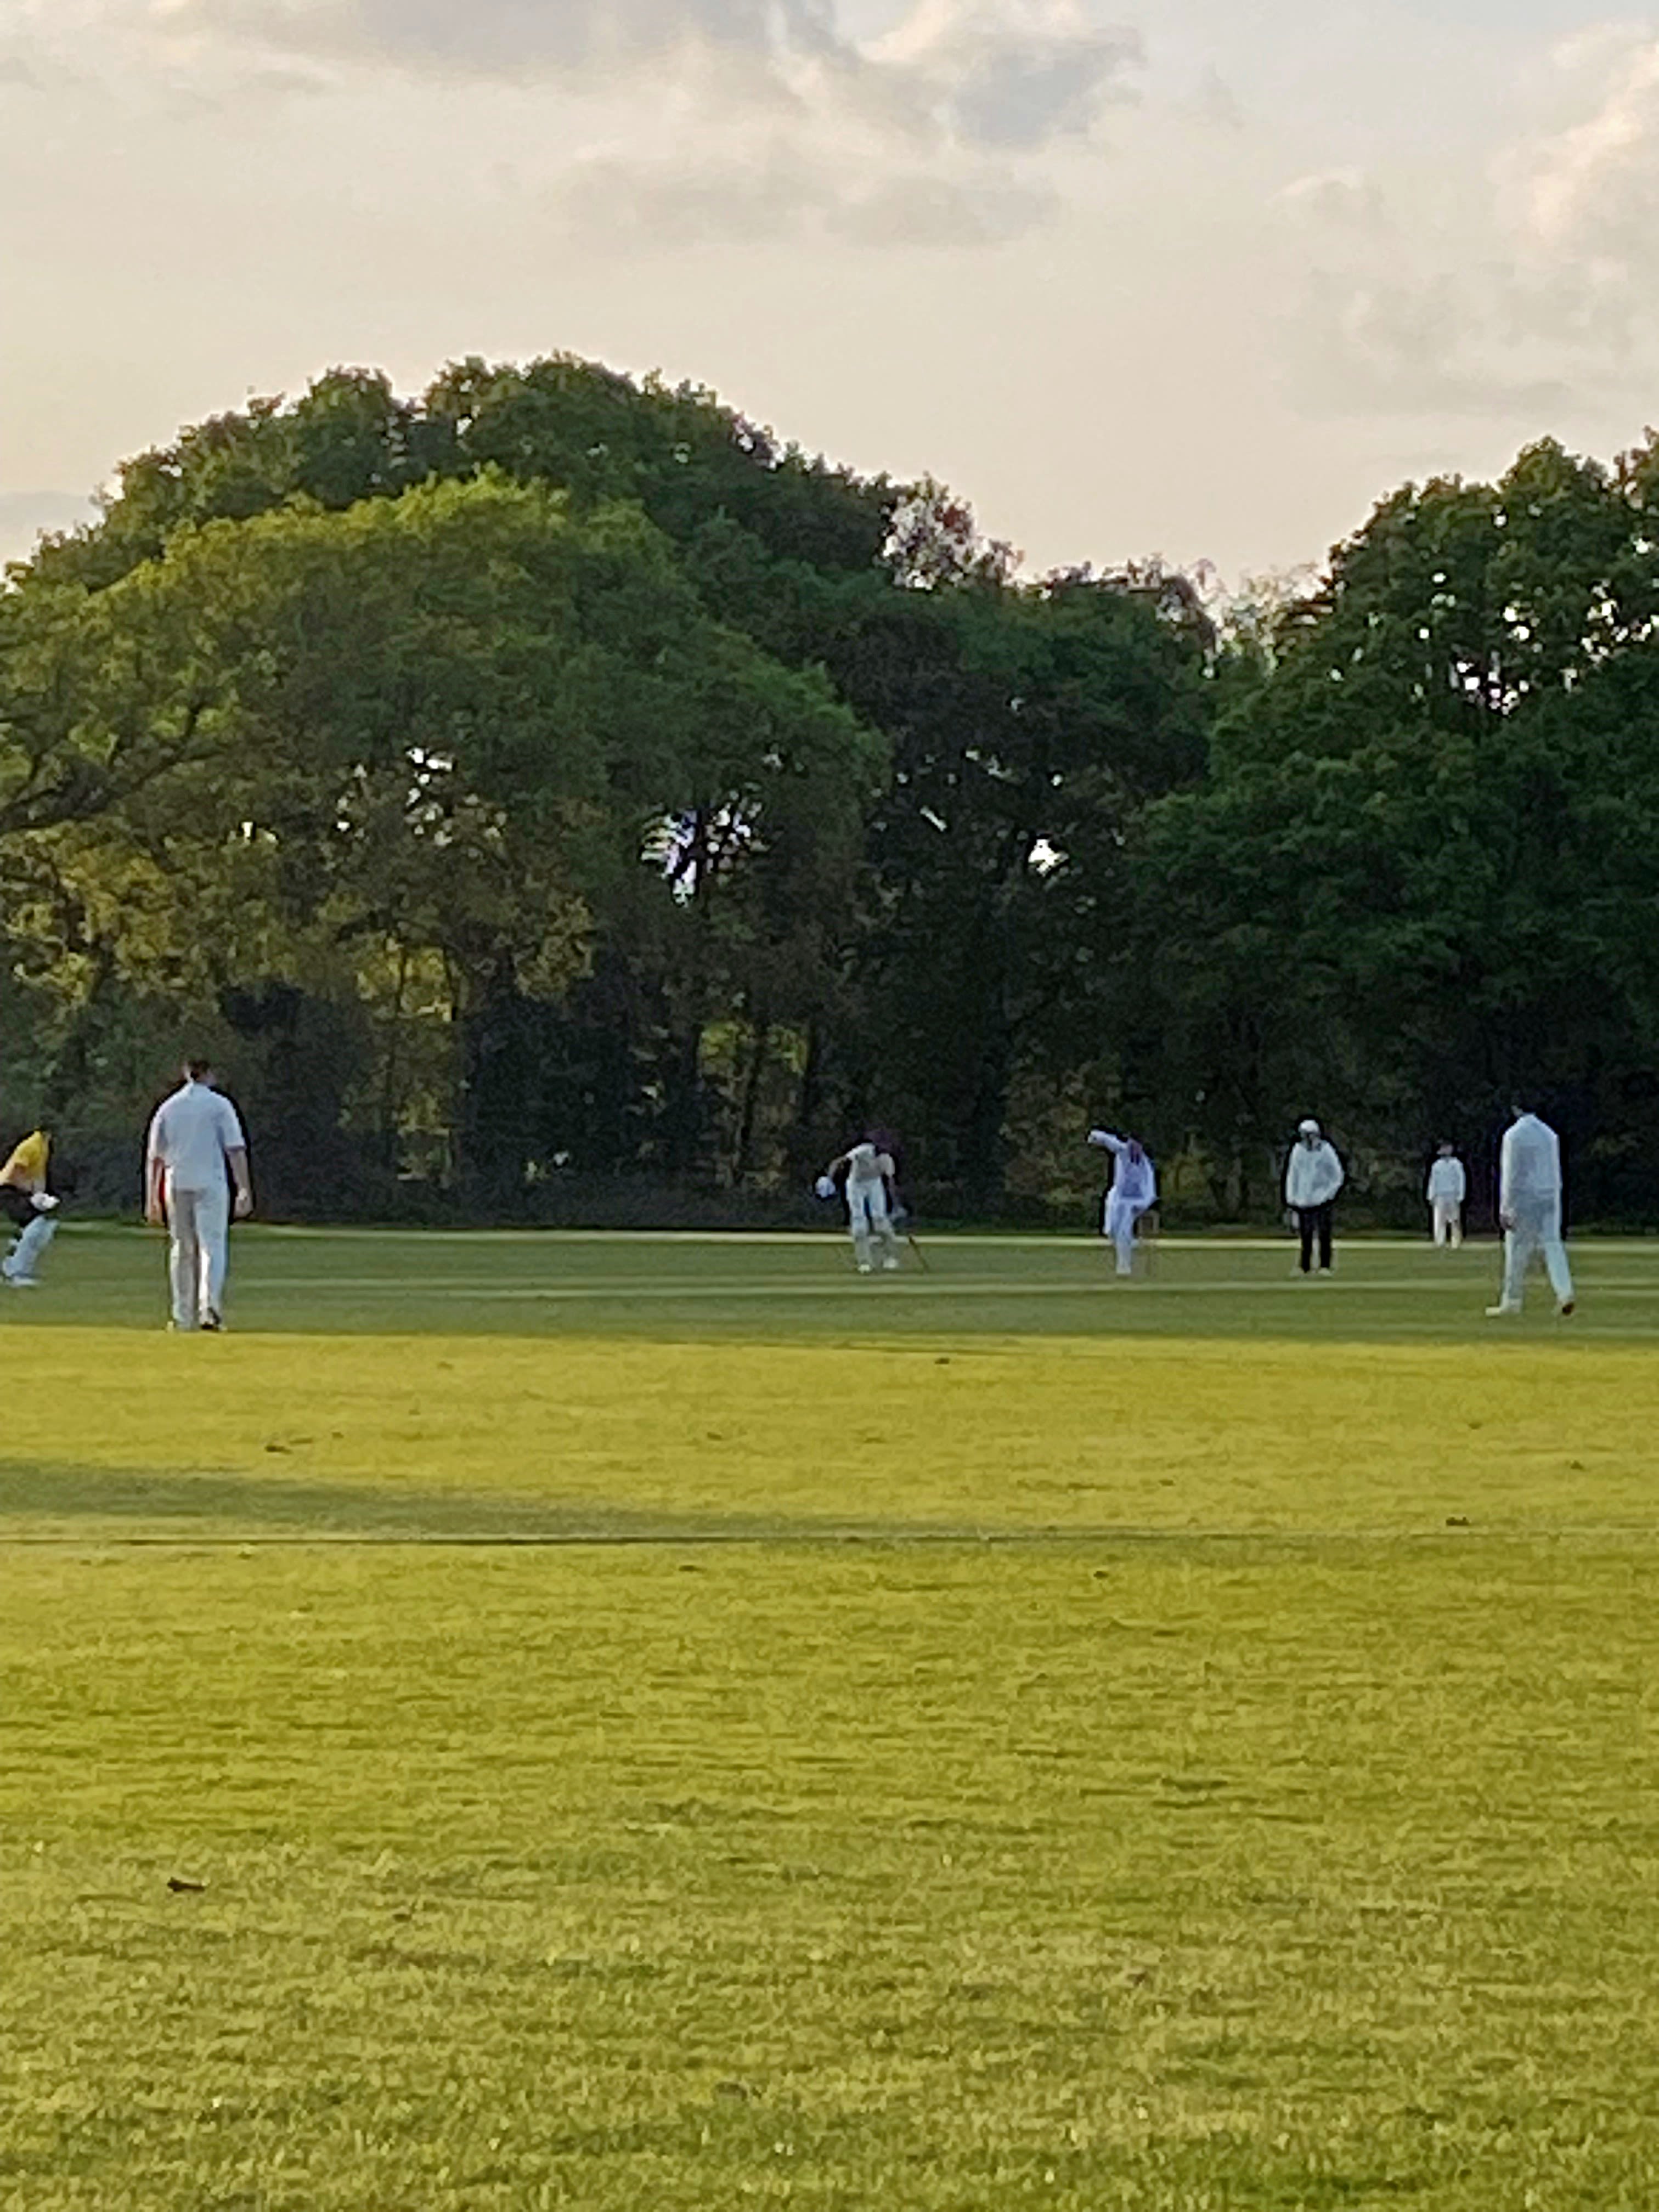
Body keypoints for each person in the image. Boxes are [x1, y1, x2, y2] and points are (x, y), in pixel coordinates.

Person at [145, 1058, 254, 1331]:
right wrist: (244, 1188)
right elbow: (235, 1148)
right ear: (209, 1074)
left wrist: (152, 1197)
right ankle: (209, 1309)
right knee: (212, 1246)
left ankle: (182, 1315)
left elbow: (155, 1158)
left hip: (177, 1181)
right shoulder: (219, 1105)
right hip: (210, 1181)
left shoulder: (168, 1108)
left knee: (182, 1248)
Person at [1487, 1102, 1574, 1318]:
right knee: (1553, 1244)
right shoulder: (1549, 1133)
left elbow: (1511, 1174)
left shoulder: (1514, 1135)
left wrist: (1505, 1206)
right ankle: (1565, 1292)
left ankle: (1512, 1300)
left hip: (1525, 1197)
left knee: (1516, 1249)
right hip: (1550, 1194)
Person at [822, 1136, 901, 1274]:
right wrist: (829, 1179)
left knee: (880, 1219)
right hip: (856, 1184)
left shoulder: (887, 1160)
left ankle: (891, 1257)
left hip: (874, 1184)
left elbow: (891, 1183)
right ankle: (864, 1262)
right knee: (859, 1220)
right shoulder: (864, 1150)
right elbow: (839, 1162)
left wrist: (896, 1204)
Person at [1086, 1128, 1158, 1276]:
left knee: (1123, 1231)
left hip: (1133, 1201)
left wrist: (1142, 1204)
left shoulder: (1145, 1164)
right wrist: (1095, 1136)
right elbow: (1110, 1141)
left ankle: (1124, 1266)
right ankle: (1129, 1242)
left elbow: (1150, 1188)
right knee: (1112, 1230)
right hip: (1117, 1196)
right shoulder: (1124, 1151)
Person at [0, 1130, 61, 1288]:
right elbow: (17, 1172)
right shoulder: (32, 1145)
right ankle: (18, 1273)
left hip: (18, 1190)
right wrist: (31, 1194)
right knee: (35, 1224)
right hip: (8, 1188)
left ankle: (10, 1267)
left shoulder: (43, 1146)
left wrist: (41, 1196)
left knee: (41, 1226)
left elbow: (38, 1176)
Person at [1284, 1116, 1345, 1274]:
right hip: (1303, 1200)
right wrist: (1292, 1199)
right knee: (1306, 1235)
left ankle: (1325, 1265)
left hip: (1322, 1200)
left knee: (1324, 1233)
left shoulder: (1326, 1150)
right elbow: (1293, 1175)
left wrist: (1329, 1194)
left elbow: (1337, 1175)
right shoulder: (1298, 1151)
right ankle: (1305, 1267)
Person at [1427, 1143, 1467, 1248]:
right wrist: (1431, 1195)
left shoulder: (1456, 1164)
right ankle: (1440, 1241)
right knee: (1439, 1219)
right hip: (1440, 1195)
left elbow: (1461, 1179)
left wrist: (1461, 1194)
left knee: (1455, 1219)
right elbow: (1433, 1181)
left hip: (1453, 1194)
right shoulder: (1437, 1165)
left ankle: (1456, 1242)